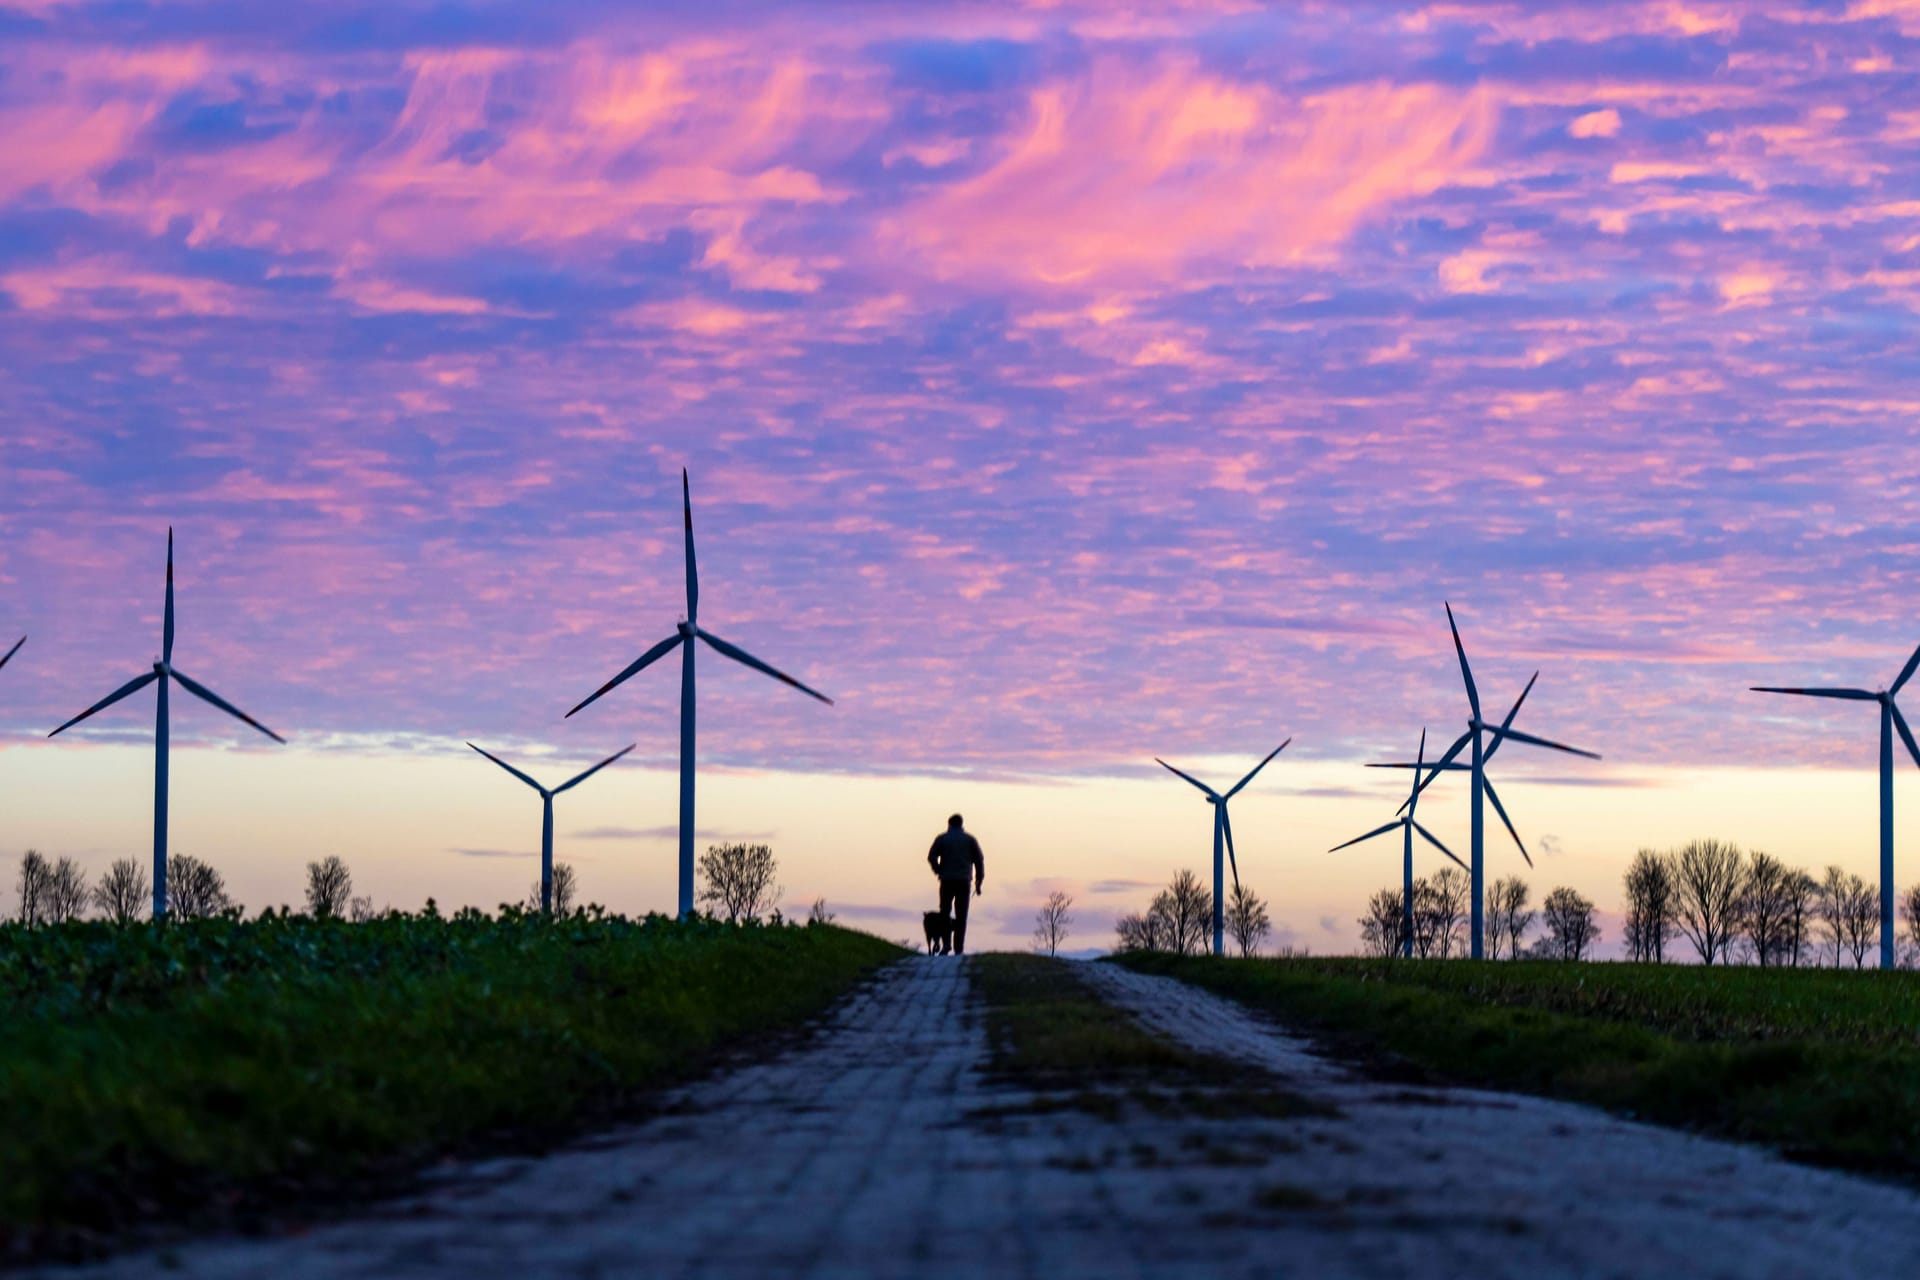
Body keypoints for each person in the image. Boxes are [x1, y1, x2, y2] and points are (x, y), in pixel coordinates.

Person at [926, 813, 985, 955]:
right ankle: (959, 948)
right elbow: (979, 861)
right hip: (964, 882)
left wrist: (938, 869)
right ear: (961, 824)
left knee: (945, 913)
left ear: (949, 824)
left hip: (946, 881)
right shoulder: (970, 840)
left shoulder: (942, 839)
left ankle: (946, 944)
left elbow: (931, 856)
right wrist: (978, 882)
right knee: (961, 916)